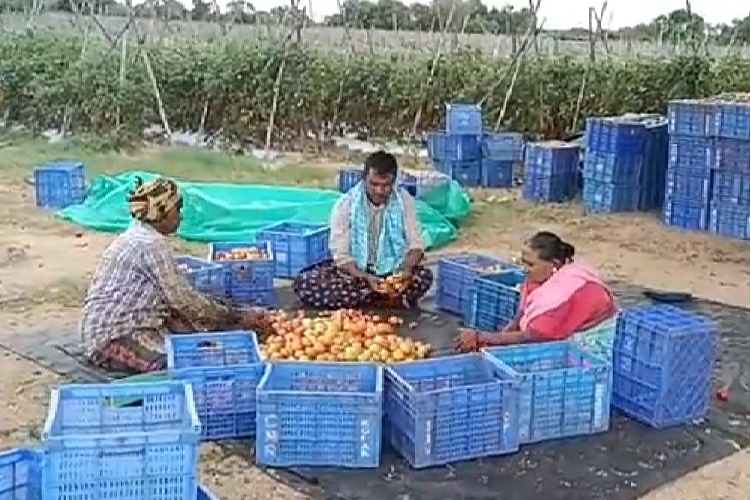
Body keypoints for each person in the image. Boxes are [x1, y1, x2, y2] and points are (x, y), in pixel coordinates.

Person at [80, 177, 271, 374]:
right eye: (176, 211)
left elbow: (180, 298)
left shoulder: (139, 235)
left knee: (199, 338)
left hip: (136, 323)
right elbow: (184, 301)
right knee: (184, 367)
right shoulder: (150, 244)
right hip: (113, 337)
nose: (180, 217)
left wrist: (230, 314)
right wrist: (237, 316)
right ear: (161, 214)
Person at [294, 150, 433, 309]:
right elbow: (341, 256)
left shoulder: (404, 201)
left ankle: (374, 298)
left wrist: (405, 270)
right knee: (305, 282)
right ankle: (381, 298)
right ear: (364, 180)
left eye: (386, 185)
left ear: (394, 182)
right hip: (357, 275)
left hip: (394, 270)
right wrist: (365, 277)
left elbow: (416, 245)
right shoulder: (346, 204)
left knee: (424, 277)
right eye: (374, 184)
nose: (380, 191)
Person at [455, 231, 617, 359]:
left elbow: (536, 336)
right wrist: (498, 338)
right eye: (523, 262)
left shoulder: (565, 292)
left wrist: (483, 337)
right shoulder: (539, 278)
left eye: (530, 264)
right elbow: (522, 314)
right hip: (546, 333)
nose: (524, 269)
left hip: (591, 342)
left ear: (554, 264)